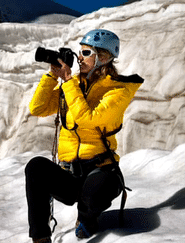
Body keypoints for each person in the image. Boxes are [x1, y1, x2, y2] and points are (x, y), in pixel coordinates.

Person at [25, 29, 144, 243]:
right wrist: (53, 76)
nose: (79, 57)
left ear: (104, 57)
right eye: (80, 51)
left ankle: (87, 220)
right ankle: (41, 239)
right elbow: (37, 108)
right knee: (35, 168)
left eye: (86, 52)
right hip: (70, 172)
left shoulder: (118, 90)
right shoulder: (75, 85)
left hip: (101, 171)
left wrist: (69, 82)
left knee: (94, 191)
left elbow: (87, 118)